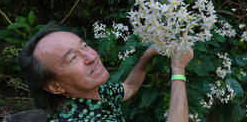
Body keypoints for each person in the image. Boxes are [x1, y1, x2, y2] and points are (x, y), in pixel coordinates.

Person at [18, 22, 193, 121]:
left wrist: (147, 56)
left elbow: (129, 87)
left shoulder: (94, 94)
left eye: (84, 46)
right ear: (55, 86)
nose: (92, 57)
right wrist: (178, 70)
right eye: (73, 58)